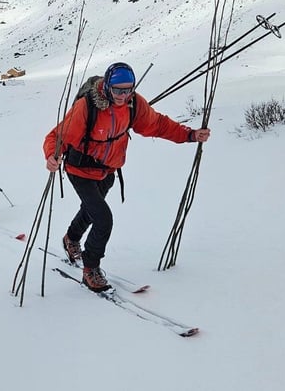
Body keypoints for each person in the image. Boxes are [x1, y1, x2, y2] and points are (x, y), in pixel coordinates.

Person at [43, 62, 211, 292]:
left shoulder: (134, 104)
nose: (123, 95)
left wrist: (189, 135)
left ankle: (70, 238)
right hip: (80, 170)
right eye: (118, 90)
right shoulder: (87, 107)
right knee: (103, 218)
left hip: (108, 170)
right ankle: (90, 268)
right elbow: (58, 135)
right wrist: (52, 156)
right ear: (107, 87)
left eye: (128, 89)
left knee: (91, 210)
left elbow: (158, 125)